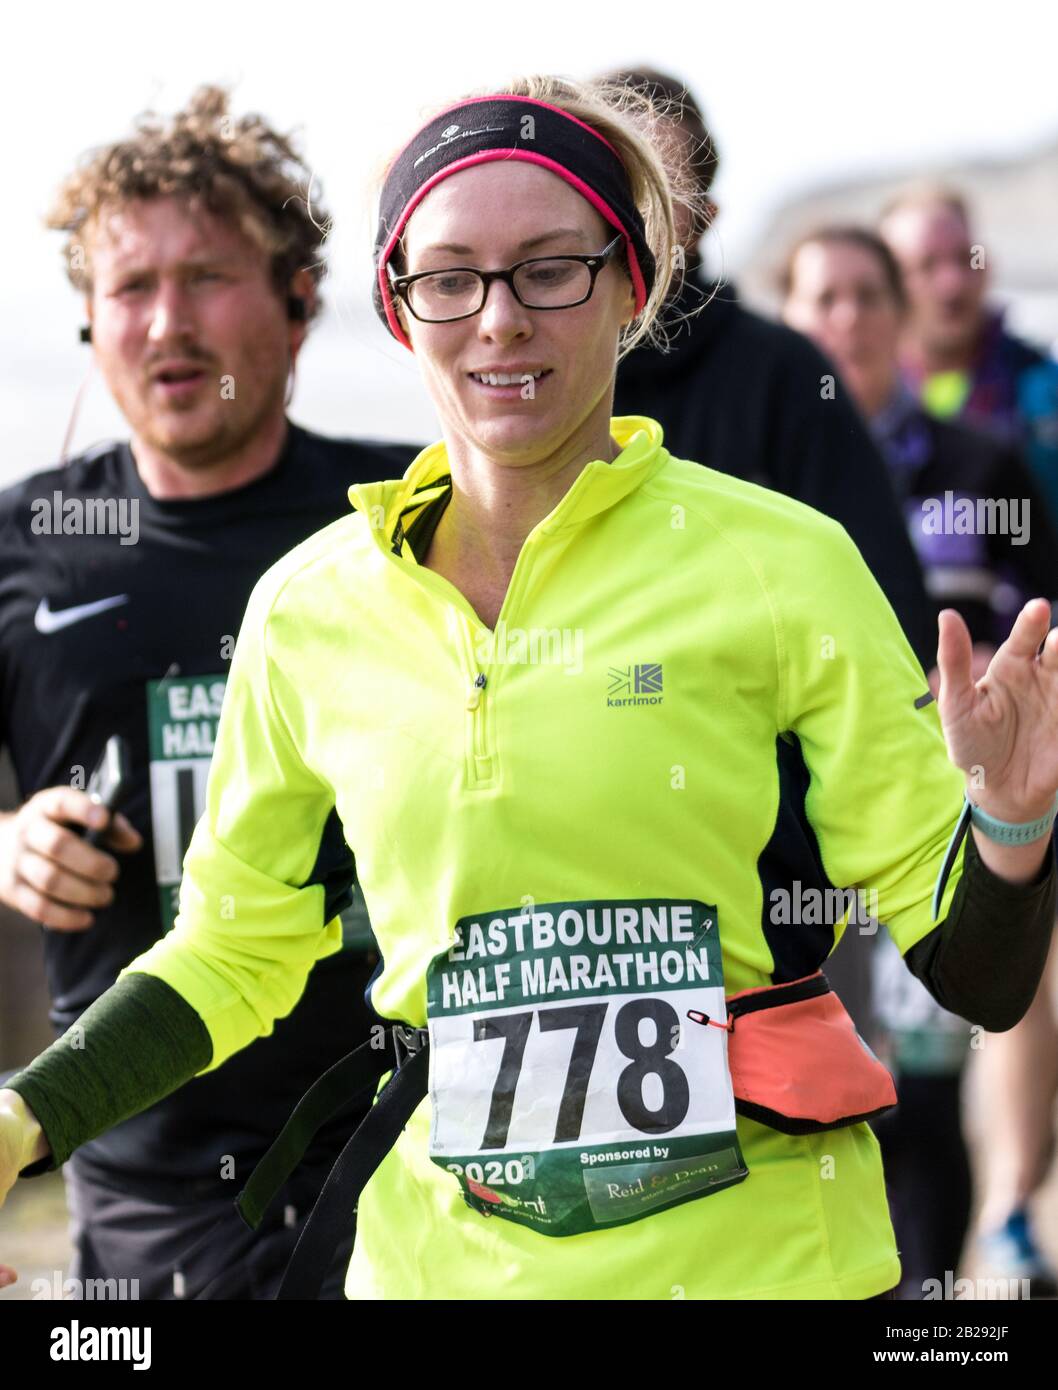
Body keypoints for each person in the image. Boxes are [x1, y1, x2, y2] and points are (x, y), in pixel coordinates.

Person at [1, 74, 1057, 1302]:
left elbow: (974, 974)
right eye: (449, 277)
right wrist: (27, 1120)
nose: (497, 320)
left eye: (550, 268)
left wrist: (1013, 820)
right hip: (437, 1270)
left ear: (631, 289)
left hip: (764, 1268)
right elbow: (232, 951)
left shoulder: (781, 563)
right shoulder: (308, 606)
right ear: (399, 312)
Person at [0, 87, 415, 1299]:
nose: (166, 322)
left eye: (209, 277)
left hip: (409, 1145)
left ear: (298, 308)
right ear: (88, 322)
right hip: (144, 1176)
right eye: (130, 288)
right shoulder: (26, 544)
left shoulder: (405, 521)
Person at [781, 223, 1058, 1297]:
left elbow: (1042, 620)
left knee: (941, 1096)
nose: (845, 318)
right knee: (839, 1102)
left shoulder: (981, 469)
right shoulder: (757, 479)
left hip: (958, 815)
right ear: (787, 320)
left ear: (899, 316)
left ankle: (991, 1238)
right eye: (821, 297)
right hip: (805, 837)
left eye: (865, 295)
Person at [609, 68, 935, 670]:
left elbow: (888, 623)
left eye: (654, 186)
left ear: (703, 220)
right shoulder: (525, 368)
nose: (623, 209)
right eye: (606, 178)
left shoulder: (786, 376)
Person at [882, 185, 1058, 1292]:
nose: (950, 280)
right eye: (924, 264)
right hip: (890, 772)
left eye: (962, 257)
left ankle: (1007, 1213)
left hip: (1013, 741)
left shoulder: (1029, 402)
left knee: (1022, 973)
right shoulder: (839, 424)